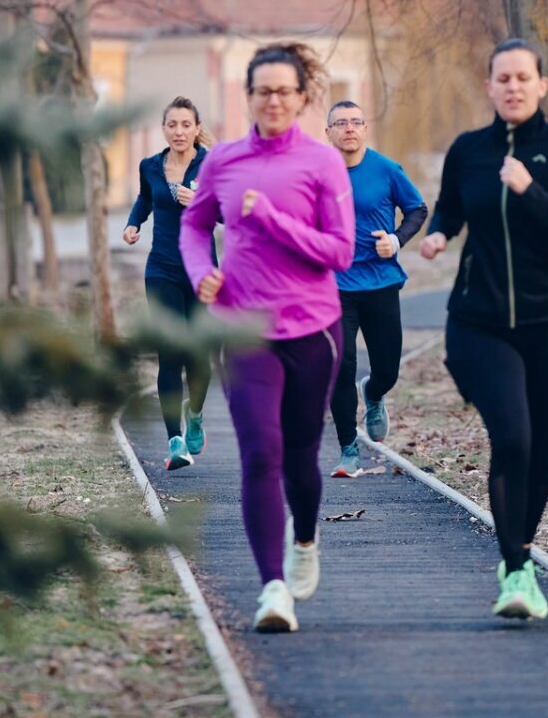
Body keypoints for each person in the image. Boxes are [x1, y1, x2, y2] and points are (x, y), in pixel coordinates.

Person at [417, 38, 548, 620]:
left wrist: (529, 189)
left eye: (524, 78)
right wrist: (440, 232)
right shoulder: (469, 151)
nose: (513, 87)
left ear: (542, 85)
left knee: (539, 450)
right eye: (503, 78)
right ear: (490, 86)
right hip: (480, 322)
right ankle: (517, 572)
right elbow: (450, 206)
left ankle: (517, 555)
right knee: (512, 439)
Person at [180, 43, 354, 634]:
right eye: (263, 90)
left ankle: (304, 539)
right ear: (247, 96)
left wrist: (270, 221)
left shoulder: (323, 164)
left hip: (312, 329)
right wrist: (201, 270)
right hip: (243, 328)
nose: (273, 100)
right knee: (260, 453)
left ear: (303, 98)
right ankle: (272, 589)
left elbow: (340, 250)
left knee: (302, 455)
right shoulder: (222, 162)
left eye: (285, 90)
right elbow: (194, 224)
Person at [323, 100, 428, 477]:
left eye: (356, 122)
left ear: (365, 128)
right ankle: (349, 449)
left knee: (387, 367)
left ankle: (375, 392)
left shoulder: (386, 169)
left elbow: (417, 209)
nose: (349, 128)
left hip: (382, 283)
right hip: (335, 286)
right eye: (341, 123)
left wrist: (397, 240)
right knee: (339, 367)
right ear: (329, 133)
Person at [123, 98, 213, 472]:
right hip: (161, 269)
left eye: (185, 125)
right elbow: (146, 198)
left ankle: (194, 414)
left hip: (201, 271)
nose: (178, 131)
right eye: (172, 125)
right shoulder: (151, 167)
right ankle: (175, 440)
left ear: (196, 128)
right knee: (169, 354)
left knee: (200, 359)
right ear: (164, 129)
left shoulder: (210, 165)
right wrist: (133, 223)